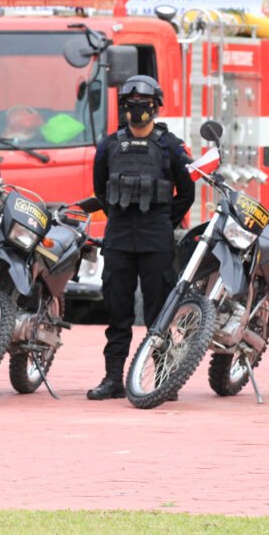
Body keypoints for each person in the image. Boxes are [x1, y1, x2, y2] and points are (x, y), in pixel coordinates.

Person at [89, 75, 195, 400]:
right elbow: (99, 189)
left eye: (145, 105)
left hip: (156, 240)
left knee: (159, 313)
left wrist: (163, 219)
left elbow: (187, 192)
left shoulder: (171, 147)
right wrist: (122, 216)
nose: (138, 110)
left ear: (156, 107)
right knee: (117, 312)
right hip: (119, 238)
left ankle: (161, 375)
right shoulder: (109, 145)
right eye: (132, 105)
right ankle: (112, 379)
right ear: (124, 108)